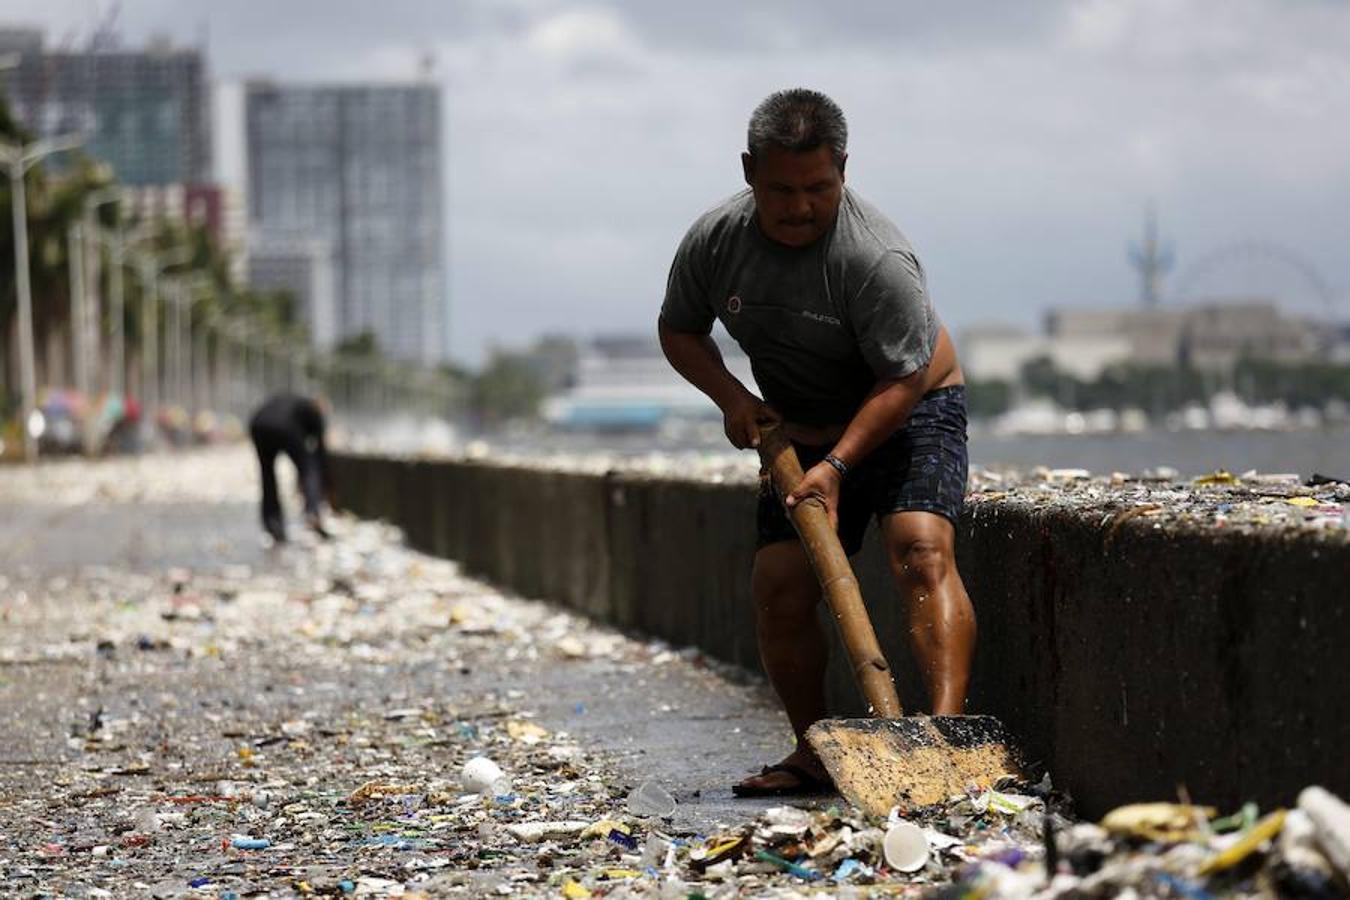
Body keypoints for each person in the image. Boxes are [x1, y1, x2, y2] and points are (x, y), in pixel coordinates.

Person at [658, 88, 977, 797]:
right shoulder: (716, 241)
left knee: (920, 548)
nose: (800, 207)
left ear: (843, 170)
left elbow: (904, 374)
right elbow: (679, 329)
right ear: (749, 172)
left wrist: (839, 465)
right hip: (796, 426)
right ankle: (813, 751)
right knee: (778, 585)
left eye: (818, 188)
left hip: (909, 404)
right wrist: (735, 401)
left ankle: (945, 741)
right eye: (781, 190)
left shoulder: (875, 256)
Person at [248, 393, 333, 543]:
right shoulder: (315, 412)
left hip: (258, 424)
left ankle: (273, 523)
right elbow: (320, 452)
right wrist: (323, 482)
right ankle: (312, 512)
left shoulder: (293, 400)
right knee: (309, 468)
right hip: (285, 427)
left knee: (267, 474)